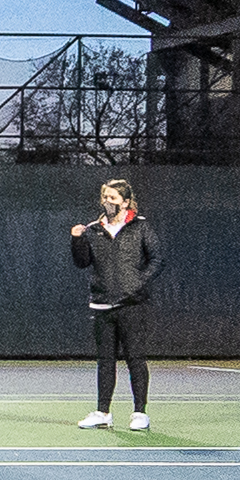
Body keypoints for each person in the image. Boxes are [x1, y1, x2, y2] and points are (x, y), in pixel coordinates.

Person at [68, 176, 163, 431]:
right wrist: (77, 240)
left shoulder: (140, 227)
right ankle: (103, 412)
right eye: (105, 197)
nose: (107, 202)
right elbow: (82, 262)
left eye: (112, 198)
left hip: (132, 305)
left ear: (125, 201)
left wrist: (137, 283)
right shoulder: (94, 229)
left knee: (135, 358)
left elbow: (157, 259)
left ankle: (139, 413)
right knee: (105, 361)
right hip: (101, 305)